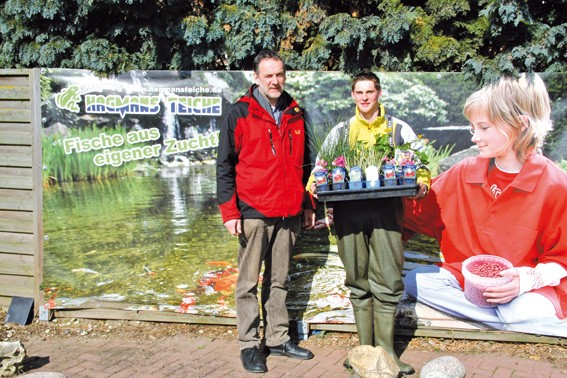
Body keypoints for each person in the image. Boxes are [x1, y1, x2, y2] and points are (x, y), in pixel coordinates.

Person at [403, 73, 567, 338]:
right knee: (416, 281)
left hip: (526, 291)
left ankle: (512, 320)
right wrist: (359, 212)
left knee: (521, 312)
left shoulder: (556, 184)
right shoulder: (465, 171)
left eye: (484, 128)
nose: (474, 137)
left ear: (519, 125)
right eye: (472, 128)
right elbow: (418, 210)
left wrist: (523, 282)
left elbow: (562, 259)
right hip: (468, 280)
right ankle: (505, 323)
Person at [312, 70, 430, 375]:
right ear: (353, 96)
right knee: (357, 278)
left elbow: (422, 165)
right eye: (359, 93)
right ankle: (363, 352)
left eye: (370, 92)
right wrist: (314, 185)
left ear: (379, 94)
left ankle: (388, 352)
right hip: (349, 212)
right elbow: (319, 168)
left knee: (389, 278)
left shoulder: (398, 128)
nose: (364, 98)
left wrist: (422, 183)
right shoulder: (340, 132)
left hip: (387, 210)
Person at [216, 49, 315, 374]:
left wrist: (308, 205)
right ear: (256, 78)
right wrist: (230, 213)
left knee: (279, 281)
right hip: (253, 212)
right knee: (247, 283)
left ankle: (277, 338)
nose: (275, 80)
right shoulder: (239, 113)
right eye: (268, 75)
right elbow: (224, 167)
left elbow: (306, 166)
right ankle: (249, 344)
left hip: (288, 212)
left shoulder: (296, 113)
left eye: (280, 74)